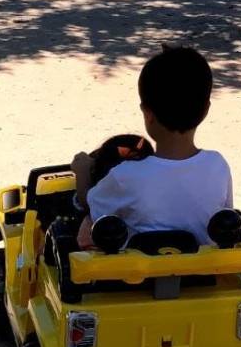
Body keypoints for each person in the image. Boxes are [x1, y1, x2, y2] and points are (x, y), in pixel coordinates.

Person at [71, 47, 232, 248]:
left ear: (148, 114)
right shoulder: (217, 165)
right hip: (207, 276)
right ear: (206, 110)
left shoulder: (126, 175)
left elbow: (91, 204)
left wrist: (83, 171)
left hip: (135, 277)